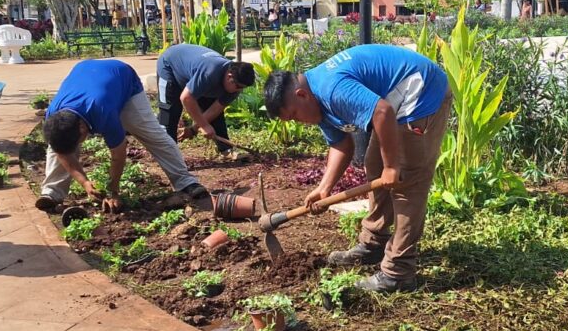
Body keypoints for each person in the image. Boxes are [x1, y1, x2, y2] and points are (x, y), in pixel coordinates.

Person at [263, 44, 452, 293]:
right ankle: (374, 243)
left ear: (301, 95)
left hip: (421, 91)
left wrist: (392, 166)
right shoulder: (316, 100)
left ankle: (398, 272)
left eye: (295, 116)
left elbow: (382, 111)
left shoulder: (332, 89)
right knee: (374, 165)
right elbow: (341, 145)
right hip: (396, 101)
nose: (299, 122)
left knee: (406, 182)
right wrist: (324, 188)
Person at [36, 59, 207, 213]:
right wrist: (85, 182)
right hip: (86, 73)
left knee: (151, 133)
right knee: (57, 145)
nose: (74, 149)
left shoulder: (103, 112)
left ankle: (186, 182)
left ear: (82, 128)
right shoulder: (54, 117)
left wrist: (113, 191)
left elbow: (118, 154)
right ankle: (52, 193)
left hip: (123, 79)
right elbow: (62, 152)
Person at [156, 44, 255, 158]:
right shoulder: (209, 73)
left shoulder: (235, 86)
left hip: (193, 74)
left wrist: (193, 129)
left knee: (214, 112)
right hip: (169, 64)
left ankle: (226, 149)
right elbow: (186, 98)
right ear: (229, 76)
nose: (239, 90)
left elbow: (215, 110)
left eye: (242, 88)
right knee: (170, 113)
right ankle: (169, 155)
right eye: (238, 86)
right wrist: (204, 125)